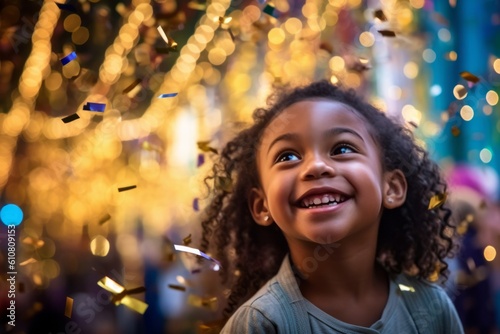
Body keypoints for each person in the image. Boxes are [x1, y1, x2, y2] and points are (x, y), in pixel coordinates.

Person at [199, 80, 464, 333]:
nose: (315, 166)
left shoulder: (431, 310)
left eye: (342, 149)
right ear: (261, 205)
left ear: (392, 188)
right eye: (287, 156)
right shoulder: (261, 324)